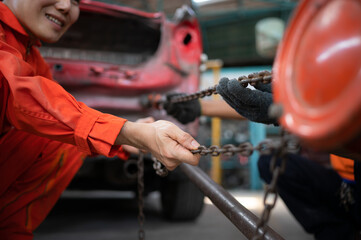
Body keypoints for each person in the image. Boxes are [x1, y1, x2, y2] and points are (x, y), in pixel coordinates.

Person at [0, 0, 201, 239]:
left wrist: (125, 140)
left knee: (60, 138)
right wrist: (129, 132)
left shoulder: (32, 57)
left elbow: (57, 116)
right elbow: (20, 96)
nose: (66, 6)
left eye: (75, 0)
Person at [164, 77, 361, 239]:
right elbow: (261, 104)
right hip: (344, 184)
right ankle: (337, 232)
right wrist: (201, 107)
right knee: (273, 162)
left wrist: (289, 114)